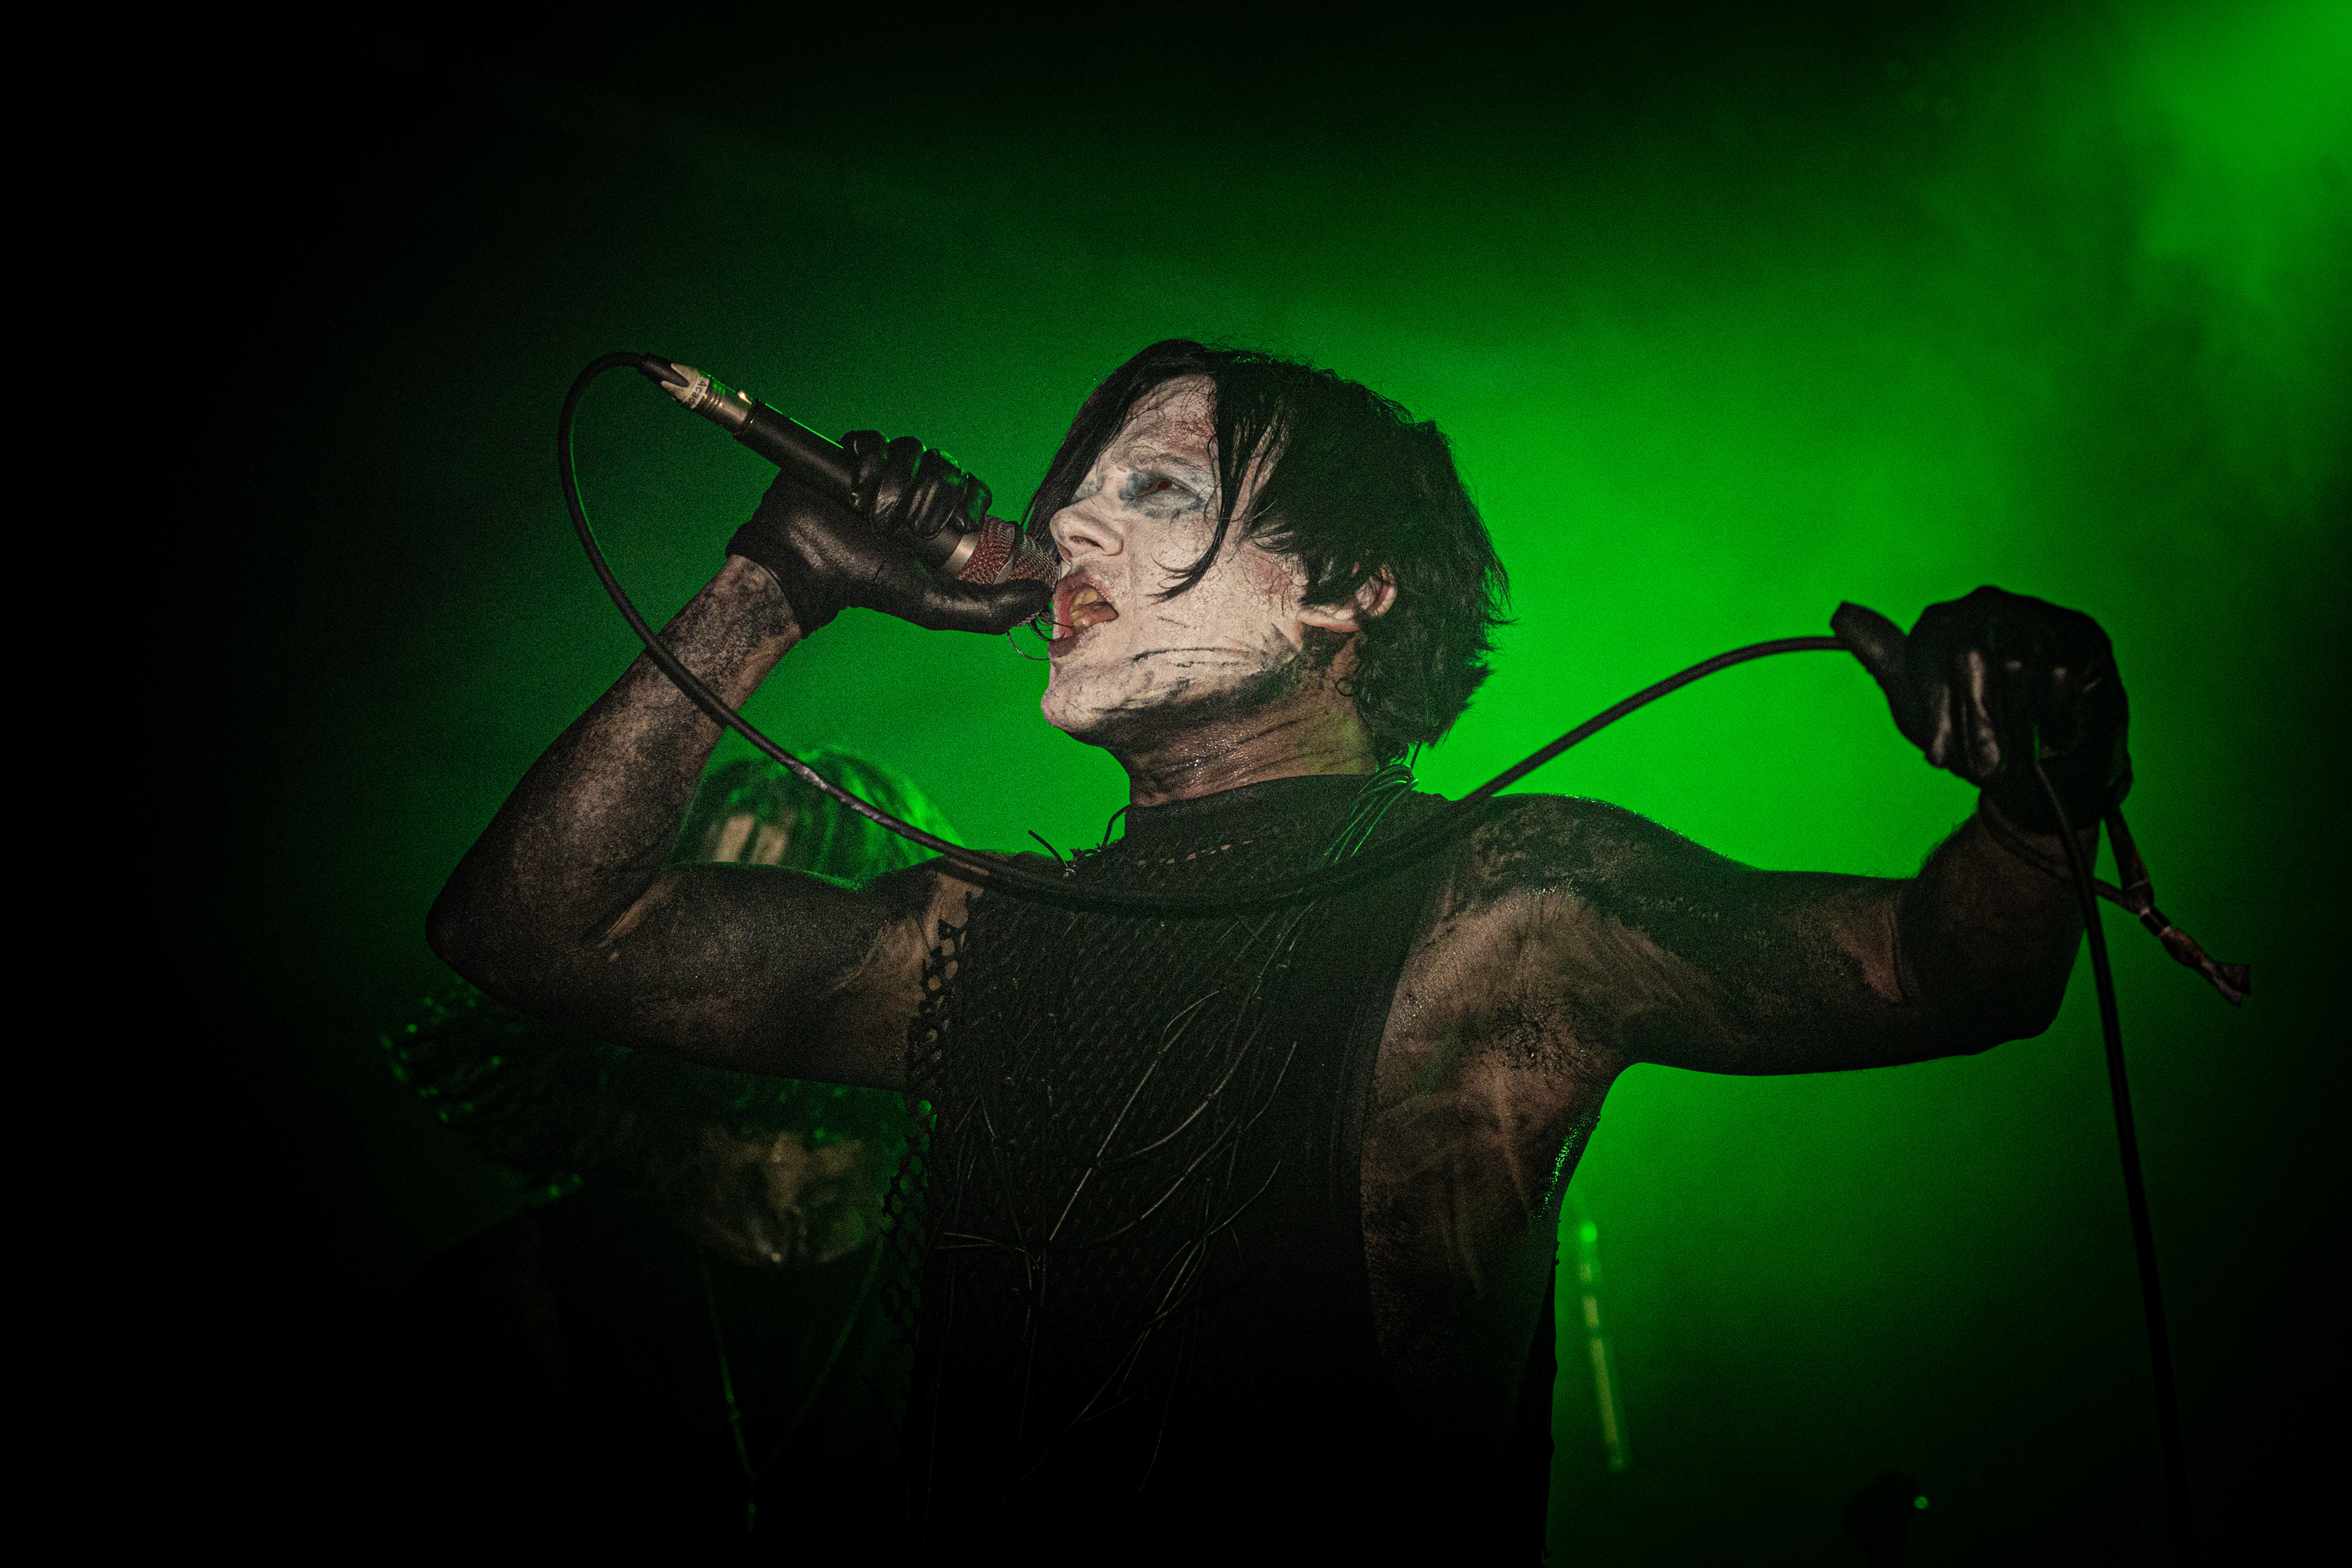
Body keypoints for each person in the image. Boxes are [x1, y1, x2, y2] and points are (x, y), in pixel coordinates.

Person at [428, 341, 2131, 1557]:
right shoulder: (992, 934)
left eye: (1155, 490)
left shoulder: (1500, 900)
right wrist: (779, 575)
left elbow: (1942, 974)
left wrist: (2036, 805)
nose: (1068, 531)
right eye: (1070, 496)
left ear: (1349, 589)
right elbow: (530, 932)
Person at [387, 750, 949, 1544]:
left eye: (799, 910)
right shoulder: (511, 1295)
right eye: (703, 917)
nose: (748, 964)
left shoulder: (998, 1267)